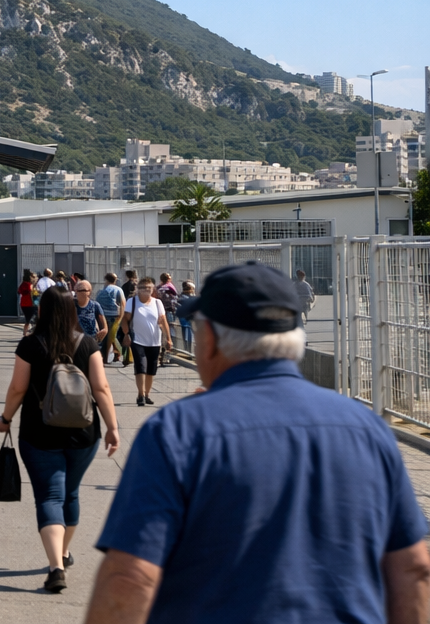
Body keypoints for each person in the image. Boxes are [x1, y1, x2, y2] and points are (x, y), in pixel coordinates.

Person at [85, 262, 430, 624]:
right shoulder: (367, 429)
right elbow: (413, 569)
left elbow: (130, 577)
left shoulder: (178, 431)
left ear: (212, 342)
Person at [0, 287, 120, 593]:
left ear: (43, 310)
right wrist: (113, 427)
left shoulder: (29, 344)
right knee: (71, 494)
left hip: (39, 434)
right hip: (83, 434)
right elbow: (101, 389)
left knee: (49, 497)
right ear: (71, 311)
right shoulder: (88, 343)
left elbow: (17, 389)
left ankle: (56, 567)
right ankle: (63, 552)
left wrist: (6, 419)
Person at [118, 276, 172, 406]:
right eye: (143, 288)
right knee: (141, 366)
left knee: (151, 369)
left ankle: (147, 394)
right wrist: (126, 333)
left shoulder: (157, 303)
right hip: (138, 340)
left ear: (152, 289)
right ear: (138, 289)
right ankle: (140, 394)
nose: (146, 290)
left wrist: (168, 339)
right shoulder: (133, 301)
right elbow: (125, 319)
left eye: (149, 288)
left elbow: (163, 320)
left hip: (155, 341)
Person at [95, 273, 126, 364]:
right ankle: (118, 354)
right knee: (111, 336)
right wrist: (121, 316)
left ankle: (107, 356)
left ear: (105, 279)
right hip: (114, 315)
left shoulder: (101, 290)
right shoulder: (118, 289)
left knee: (108, 337)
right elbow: (123, 303)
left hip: (102, 315)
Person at [73, 278, 108, 347]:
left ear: (89, 292)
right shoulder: (72, 305)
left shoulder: (95, 305)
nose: (79, 292)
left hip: (92, 342)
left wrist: (104, 330)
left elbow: (104, 324)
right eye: (78, 290)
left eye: (83, 290)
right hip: (76, 342)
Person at [174, 281, 197, 352]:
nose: (193, 290)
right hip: (188, 319)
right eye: (192, 288)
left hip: (188, 319)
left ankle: (187, 350)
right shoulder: (185, 298)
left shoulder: (181, 297)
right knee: (187, 332)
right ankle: (188, 350)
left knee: (187, 332)